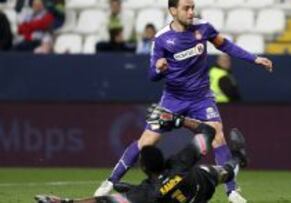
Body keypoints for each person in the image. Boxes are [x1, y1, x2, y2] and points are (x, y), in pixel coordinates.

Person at [94, 0, 272, 202]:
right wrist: (159, 69)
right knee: (147, 141)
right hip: (173, 99)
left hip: (201, 98)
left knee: (218, 136)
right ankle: (110, 182)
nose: (191, 12)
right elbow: (152, 74)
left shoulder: (203, 28)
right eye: (186, 8)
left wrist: (254, 58)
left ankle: (232, 191)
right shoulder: (161, 39)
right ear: (173, 11)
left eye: (192, 7)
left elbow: (226, 45)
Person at [35, 106, 248, 203]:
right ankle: (238, 157)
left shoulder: (145, 193)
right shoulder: (180, 161)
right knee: (223, 171)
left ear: (144, 168)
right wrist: (179, 121)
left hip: (182, 198)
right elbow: (208, 131)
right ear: (163, 160)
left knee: (126, 194)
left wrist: (66, 202)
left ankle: (238, 159)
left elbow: (103, 202)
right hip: (200, 186)